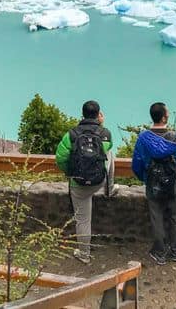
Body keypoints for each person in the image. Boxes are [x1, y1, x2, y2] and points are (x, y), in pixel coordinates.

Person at [55, 100, 116, 264]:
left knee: (82, 220)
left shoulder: (72, 135)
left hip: (79, 183)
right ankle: (110, 188)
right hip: (99, 181)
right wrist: (101, 125)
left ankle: (84, 254)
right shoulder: (105, 134)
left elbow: (60, 158)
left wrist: (70, 172)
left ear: (82, 114)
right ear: (98, 115)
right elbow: (104, 150)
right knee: (110, 154)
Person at [131, 102, 176, 265]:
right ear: (165, 117)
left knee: (156, 217)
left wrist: (145, 178)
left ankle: (159, 252)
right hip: (173, 183)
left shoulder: (143, 138)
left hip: (153, 182)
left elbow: (136, 163)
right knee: (175, 217)